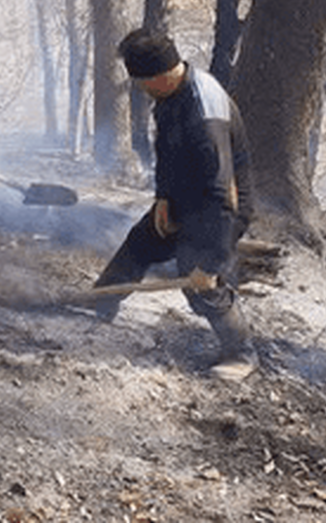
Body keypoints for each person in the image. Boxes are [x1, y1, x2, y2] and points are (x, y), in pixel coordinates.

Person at [94, 27, 257, 378]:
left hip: (219, 207)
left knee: (200, 279)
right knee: (141, 242)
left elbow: (222, 195)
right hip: (186, 196)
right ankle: (98, 305)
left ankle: (241, 354)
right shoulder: (169, 96)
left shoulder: (204, 116)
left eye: (142, 83)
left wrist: (212, 261)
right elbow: (167, 152)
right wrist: (163, 198)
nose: (141, 90)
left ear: (162, 75)